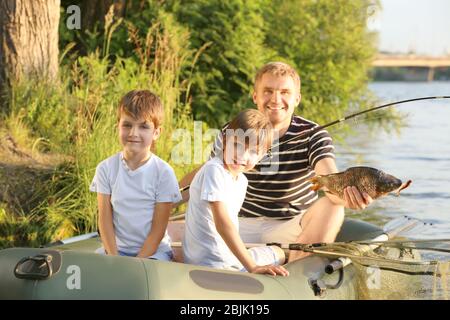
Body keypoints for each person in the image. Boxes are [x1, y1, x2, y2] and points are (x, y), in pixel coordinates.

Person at [179, 62, 373, 262]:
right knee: (170, 230)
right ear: (255, 96)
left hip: (291, 227)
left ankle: (298, 275)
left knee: (333, 207)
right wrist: (165, 201)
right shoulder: (234, 130)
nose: (276, 99)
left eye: (285, 92)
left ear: (297, 98)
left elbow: (330, 178)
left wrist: (350, 197)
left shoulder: (314, 135)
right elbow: (207, 173)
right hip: (237, 224)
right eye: (268, 91)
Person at [183, 109, 289, 276]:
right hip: (214, 264)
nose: (242, 155)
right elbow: (223, 224)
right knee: (279, 254)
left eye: (253, 151)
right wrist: (252, 267)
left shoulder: (241, 181)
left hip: (227, 259)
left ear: (262, 156)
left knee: (279, 252)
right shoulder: (213, 170)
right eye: (237, 145)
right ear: (225, 140)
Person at [90, 90, 182, 260]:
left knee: (142, 280)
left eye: (143, 126)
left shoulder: (163, 173)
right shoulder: (105, 168)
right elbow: (104, 220)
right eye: (127, 125)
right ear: (118, 125)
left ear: (156, 132)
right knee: (95, 272)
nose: (133, 133)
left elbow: (158, 229)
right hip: (116, 251)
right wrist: (114, 257)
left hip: (153, 252)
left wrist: (137, 263)